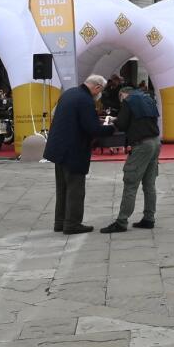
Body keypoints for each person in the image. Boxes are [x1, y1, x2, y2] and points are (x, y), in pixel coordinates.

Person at [44, 75, 115, 234]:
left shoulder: (69, 93)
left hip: (58, 148)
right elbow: (92, 128)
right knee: (75, 189)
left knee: (62, 188)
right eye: (100, 90)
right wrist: (111, 128)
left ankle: (60, 222)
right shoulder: (85, 100)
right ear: (97, 87)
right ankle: (72, 224)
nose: (99, 94)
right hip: (73, 150)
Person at [101, 85, 162, 234]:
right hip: (155, 142)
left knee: (130, 182)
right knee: (149, 183)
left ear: (123, 94)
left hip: (141, 145)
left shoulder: (129, 101)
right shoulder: (148, 99)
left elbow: (122, 124)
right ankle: (149, 218)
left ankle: (121, 221)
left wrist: (113, 120)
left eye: (120, 98)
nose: (121, 101)